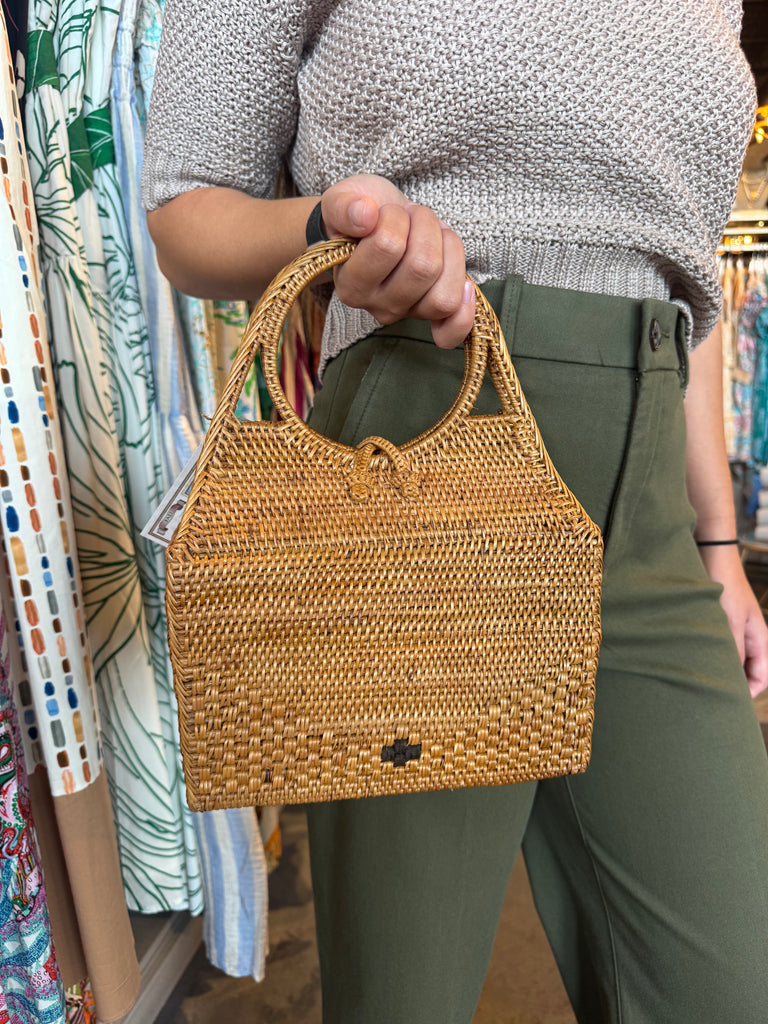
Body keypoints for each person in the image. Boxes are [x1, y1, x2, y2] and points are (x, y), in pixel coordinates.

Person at [142, 2, 768, 1021]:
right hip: (418, 463)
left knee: (730, 982)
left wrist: (718, 543)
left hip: (646, 498)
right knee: (407, 992)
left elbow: (681, 282)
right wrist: (332, 224)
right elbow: (185, 214)